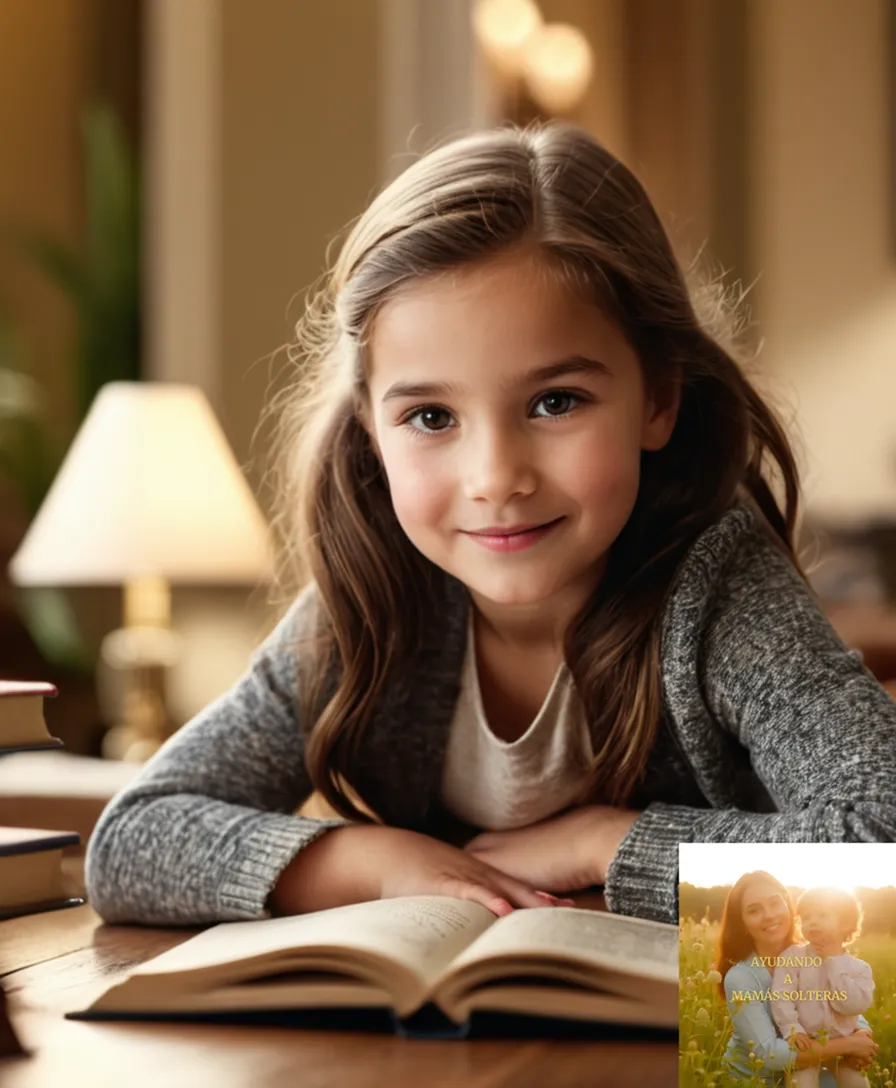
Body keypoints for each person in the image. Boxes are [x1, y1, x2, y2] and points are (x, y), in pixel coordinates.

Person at [84, 121, 896, 930]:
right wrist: (370, 860)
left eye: (555, 402)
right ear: (370, 425)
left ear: (658, 398)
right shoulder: (372, 598)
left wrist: (608, 844)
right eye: (432, 415)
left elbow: (881, 839)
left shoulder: (718, 589)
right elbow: (130, 841)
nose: (496, 478)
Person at [717, 872, 877, 1086]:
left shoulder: (815, 952)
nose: (769, 915)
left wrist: (862, 1033)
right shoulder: (741, 977)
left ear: (788, 905)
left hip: (812, 1063)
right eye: (754, 910)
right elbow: (769, 1053)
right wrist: (849, 1045)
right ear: (743, 923)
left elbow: (839, 1002)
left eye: (775, 903)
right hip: (758, 1078)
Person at [770, 887, 874, 1087]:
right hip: (807, 1043)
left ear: (846, 924)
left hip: (844, 1048)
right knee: (801, 1083)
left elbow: (852, 1006)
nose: (813, 922)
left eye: (823, 915)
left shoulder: (860, 969)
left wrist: (833, 961)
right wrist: (793, 1030)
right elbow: (781, 997)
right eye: (807, 917)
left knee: (858, 1083)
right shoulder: (792, 957)